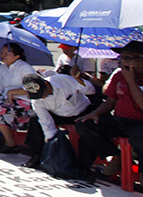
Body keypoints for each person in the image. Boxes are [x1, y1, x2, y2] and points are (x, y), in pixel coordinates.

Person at [75, 41, 143, 180]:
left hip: (139, 123)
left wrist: (131, 81)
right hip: (119, 120)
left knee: (140, 138)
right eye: (122, 58)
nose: (123, 62)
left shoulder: (128, 77)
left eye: (128, 58)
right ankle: (116, 156)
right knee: (84, 124)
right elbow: (111, 100)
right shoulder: (119, 75)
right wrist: (96, 113)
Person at [22, 71, 91, 168]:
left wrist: (79, 79)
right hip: (58, 114)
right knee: (35, 121)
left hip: (82, 110)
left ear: (46, 84)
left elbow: (90, 90)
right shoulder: (37, 101)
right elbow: (45, 121)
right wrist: (53, 143)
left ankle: (84, 165)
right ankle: (36, 156)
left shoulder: (62, 80)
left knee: (86, 128)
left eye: (43, 93)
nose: (43, 97)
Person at [0, 43, 36, 153]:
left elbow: (33, 87)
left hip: (25, 101)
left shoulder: (24, 67)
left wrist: (13, 92)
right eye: (2, 53)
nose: (3, 56)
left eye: (7, 54)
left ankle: (10, 143)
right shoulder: (2, 67)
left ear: (17, 56)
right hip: (6, 99)